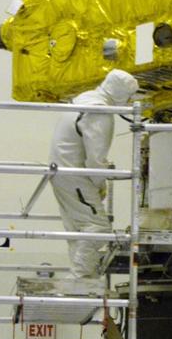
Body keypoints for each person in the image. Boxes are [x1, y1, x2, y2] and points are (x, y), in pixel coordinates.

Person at [49, 69, 139, 278]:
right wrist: (99, 184)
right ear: (120, 93)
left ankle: (80, 279)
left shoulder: (84, 99)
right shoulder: (100, 112)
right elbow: (95, 160)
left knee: (79, 230)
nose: (129, 101)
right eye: (128, 96)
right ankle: (80, 281)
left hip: (61, 172)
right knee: (98, 228)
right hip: (75, 175)